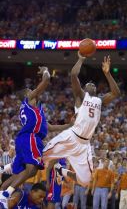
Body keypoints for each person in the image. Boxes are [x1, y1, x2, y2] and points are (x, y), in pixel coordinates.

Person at [43, 52, 120, 187]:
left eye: (94, 84)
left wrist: (107, 74)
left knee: (85, 182)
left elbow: (116, 93)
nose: (92, 84)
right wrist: (80, 59)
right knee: (41, 158)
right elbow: (73, 75)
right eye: (89, 83)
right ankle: (10, 169)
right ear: (84, 88)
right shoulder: (80, 96)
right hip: (71, 136)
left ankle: (61, 170)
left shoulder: (99, 100)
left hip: (84, 145)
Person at [0, 67, 73, 208]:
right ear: (28, 94)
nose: (33, 91)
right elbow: (46, 81)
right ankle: (5, 195)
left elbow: (51, 127)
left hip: (25, 139)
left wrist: (70, 125)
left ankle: (2, 192)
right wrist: (46, 71)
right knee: (31, 169)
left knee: (22, 173)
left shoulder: (35, 111)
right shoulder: (28, 100)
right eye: (30, 90)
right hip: (30, 138)